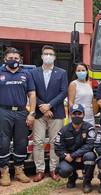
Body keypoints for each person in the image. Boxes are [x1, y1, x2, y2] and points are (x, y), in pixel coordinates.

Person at [30, 45, 68, 182]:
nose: (48, 56)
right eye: (45, 53)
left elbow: (63, 92)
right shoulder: (33, 73)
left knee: (55, 143)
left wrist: (50, 105)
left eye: (51, 54)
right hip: (39, 114)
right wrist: (42, 107)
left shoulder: (62, 72)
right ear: (41, 56)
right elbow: (31, 92)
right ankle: (39, 170)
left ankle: (53, 169)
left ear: (55, 57)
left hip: (56, 112)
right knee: (38, 142)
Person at [0, 47, 36, 186]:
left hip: (21, 111)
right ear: (5, 59)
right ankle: (4, 172)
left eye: (16, 58)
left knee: (21, 142)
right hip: (4, 111)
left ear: (20, 59)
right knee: (3, 142)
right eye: (10, 58)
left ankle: (19, 171)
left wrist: (31, 113)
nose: (13, 60)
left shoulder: (26, 74)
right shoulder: (0, 72)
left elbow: (32, 94)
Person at [55, 104, 96, 193]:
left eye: (79, 114)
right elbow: (58, 148)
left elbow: (90, 145)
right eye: (74, 114)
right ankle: (72, 177)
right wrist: (66, 156)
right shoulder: (64, 130)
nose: (77, 116)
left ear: (83, 115)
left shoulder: (89, 128)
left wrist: (74, 155)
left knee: (90, 156)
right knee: (64, 170)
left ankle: (87, 182)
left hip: (82, 157)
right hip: (69, 159)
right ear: (70, 115)